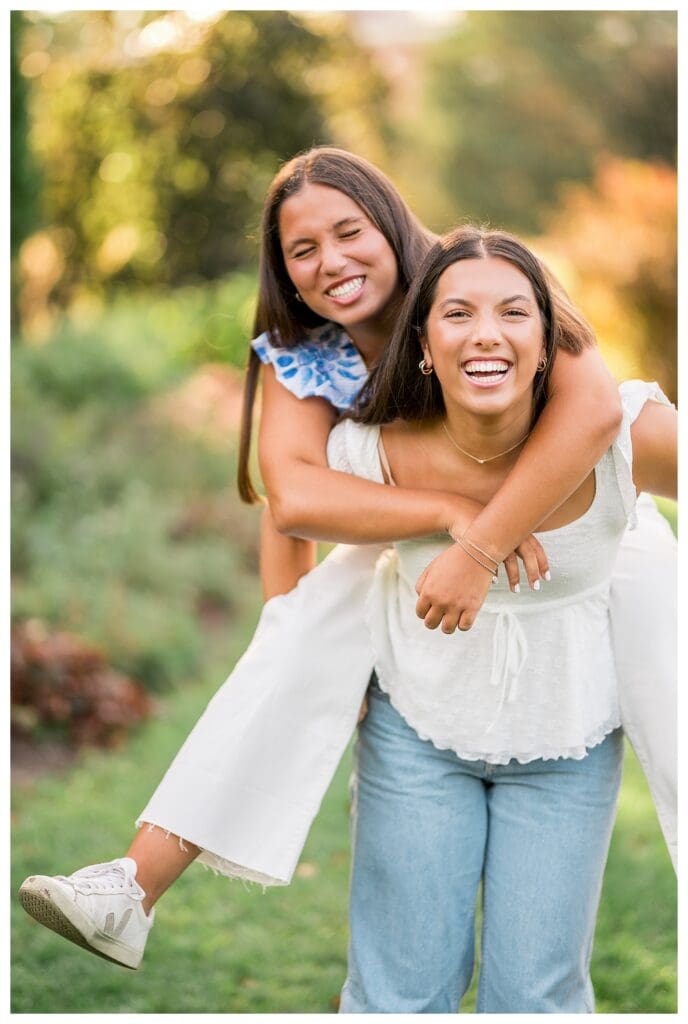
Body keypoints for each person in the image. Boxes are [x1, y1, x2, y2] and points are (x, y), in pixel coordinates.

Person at [18, 150, 676, 977]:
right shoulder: (304, 353)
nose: (331, 262)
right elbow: (291, 502)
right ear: (285, 272)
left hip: (587, 529)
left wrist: (479, 543)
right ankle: (128, 888)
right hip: (414, 526)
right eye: (303, 251)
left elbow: (590, 411)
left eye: (349, 232)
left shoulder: (473, 283)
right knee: (312, 614)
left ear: (391, 224)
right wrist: (442, 528)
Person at [327, 226, 677, 1012]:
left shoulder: (625, 435)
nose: (486, 334)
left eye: (514, 313)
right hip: (417, 732)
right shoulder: (372, 446)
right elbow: (300, 524)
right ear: (421, 343)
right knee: (397, 996)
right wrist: (316, 671)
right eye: (458, 314)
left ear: (550, 344)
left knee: (537, 998)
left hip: (570, 740)